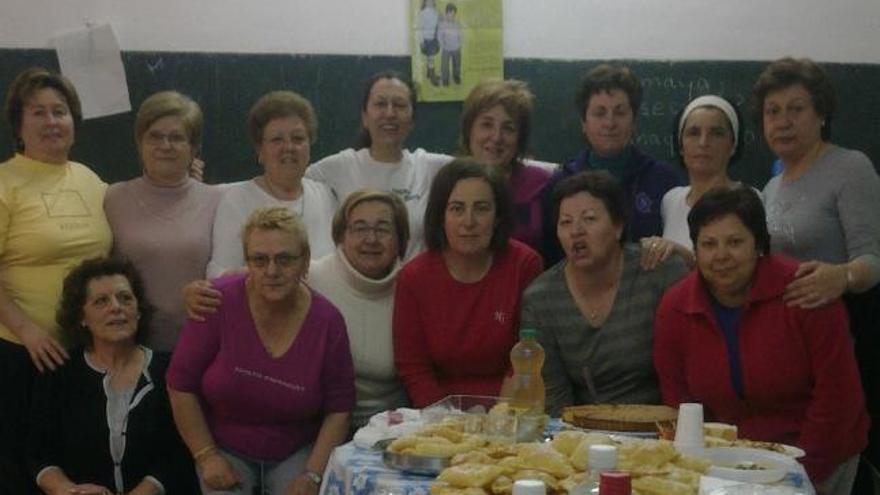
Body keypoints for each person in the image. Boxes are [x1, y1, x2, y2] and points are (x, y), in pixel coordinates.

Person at [654, 187, 869, 494]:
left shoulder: (807, 290)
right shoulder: (675, 307)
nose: (721, 256)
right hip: (721, 466)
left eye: (735, 242)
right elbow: (678, 403)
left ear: (759, 244)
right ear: (696, 249)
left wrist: (796, 476)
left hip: (820, 460)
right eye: (709, 244)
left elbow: (839, 400)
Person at [755, 56, 880, 492]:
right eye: (773, 111)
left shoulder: (850, 167)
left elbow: (874, 259)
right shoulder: (772, 186)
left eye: (796, 108)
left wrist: (841, 276)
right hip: (791, 354)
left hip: (845, 338)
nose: (783, 121)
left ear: (821, 113)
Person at [167, 207, 354, 495]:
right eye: (259, 259)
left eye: (285, 259)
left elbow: (339, 409)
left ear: (305, 261)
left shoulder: (328, 321)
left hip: (296, 450)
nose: (271, 271)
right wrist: (206, 455)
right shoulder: (215, 301)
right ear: (247, 263)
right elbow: (180, 385)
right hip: (224, 448)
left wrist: (313, 475)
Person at [0, 67, 112, 493]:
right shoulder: (4, 182)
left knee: (75, 466)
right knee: (19, 468)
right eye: (38, 112)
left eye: (60, 111)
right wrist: (27, 331)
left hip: (84, 353)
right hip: (20, 354)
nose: (51, 121)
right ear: (18, 124)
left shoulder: (91, 180)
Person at [521, 171, 687, 416]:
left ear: (618, 226)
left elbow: (687, 372)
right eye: (565, 222)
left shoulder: (658, 271)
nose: (576, 231)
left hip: (662, 429)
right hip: (582, 434)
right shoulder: (541, 299)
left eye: (589, 219)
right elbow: (554, 399)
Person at [27, 257, 197, 495]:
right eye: (101, 301)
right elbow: (39, 455)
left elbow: (180, 453)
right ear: (82, 317)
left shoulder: (168, 370)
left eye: (125, 298)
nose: (116, 307)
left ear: (138, 311)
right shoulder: (59, 373)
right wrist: (69, 490)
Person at [393, 159, 543, 408]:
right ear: (441, 216)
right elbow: (413, 367)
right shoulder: (413, 278)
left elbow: (524, 361)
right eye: (457, 209)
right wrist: (448, 423)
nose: (469, 221)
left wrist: (502, 418)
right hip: (437, 419)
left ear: (497, 217)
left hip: (510, 412)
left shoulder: (524, 265)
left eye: (482, 208)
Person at [104, 91, 223, 352]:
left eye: (177, 137)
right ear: (139, 143)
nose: (165, 145)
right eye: (154, 136)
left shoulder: (219, 200)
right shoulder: (112, 198)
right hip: (129, 349)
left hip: (200, 348)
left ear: (194, 148)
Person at [542, 64, 681, 266]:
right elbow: (552, 256)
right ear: (584, 122)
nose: (610, 123)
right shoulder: (562, 181)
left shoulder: (663, 179)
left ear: (633, 120)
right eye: (599, 113)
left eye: (620, 112)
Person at [305, 71, 451, 259]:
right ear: (365, 116)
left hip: (415, 286)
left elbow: (481, 171)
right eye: (380, 104)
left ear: (412, 119)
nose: (390, 113)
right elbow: (288, 189)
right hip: (354, 286)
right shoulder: (339, 167)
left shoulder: (432, 168)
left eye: (399, 105)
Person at [308, 189, 410, 431]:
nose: (371, 239)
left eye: (383, 229)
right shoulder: (310, 278)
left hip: (389, 431)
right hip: (317, 429)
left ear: (400, 240)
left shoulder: (413, 287)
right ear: (341, 236)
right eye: (360, 228)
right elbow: (252, 278)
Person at [207, 90, 336, 277]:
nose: (289, 147)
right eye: (277, 140)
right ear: (260, 149)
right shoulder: (237, 201)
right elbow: (219, 275)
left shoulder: (326, 196)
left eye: (298, 138)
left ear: (310, 145)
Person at [460, 79, 551, 255]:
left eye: (508, 128)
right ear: (469, 130)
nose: (496, 137)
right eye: (487, 125)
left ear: (520, 139)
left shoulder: (542, 184)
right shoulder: (449, 183)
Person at [660, 94, 747, 265]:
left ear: (733, 145)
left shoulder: (749, 199)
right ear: (681, 146)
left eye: (716, 133)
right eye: (693, 133)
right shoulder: (671, 201)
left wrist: (686, 257)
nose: (703, 142)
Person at [416, 0, 441, 86]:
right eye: (428, 1)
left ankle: (429, 73)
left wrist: (438, 38)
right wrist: (421, 41)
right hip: (426, 39)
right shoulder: (423, 13)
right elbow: (420, 28)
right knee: (431, 58)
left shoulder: (436, 13)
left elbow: (437, 26)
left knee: (431, 56)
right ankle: (432, 76)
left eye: (431, 1)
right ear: (425, 2)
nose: (430, 2)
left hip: (433, 38)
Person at [438, 3, 462, 87]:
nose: (451, 16)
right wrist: (442, 45)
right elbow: (439, 36)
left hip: (456, 48)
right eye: (450, 14)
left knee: (457, 65)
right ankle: (445, 80)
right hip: (446, 48)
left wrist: (459, 44)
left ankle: (456, 77)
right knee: (444, 66)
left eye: (453, 14)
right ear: (446, 13)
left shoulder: (457, 24)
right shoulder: (442, 24)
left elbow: (460, 35)